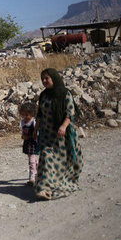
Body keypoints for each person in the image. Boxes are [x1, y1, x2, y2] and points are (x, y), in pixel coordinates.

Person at [34, 68, 83, 200]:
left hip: (61, 135)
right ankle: (44, 188)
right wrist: (35, 131)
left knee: (61, 161)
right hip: (46, 134)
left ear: (54, 78)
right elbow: (39, 114)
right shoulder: (44, 95)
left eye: (47, 78)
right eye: (42, 78)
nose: (44, 81)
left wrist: (63, 126)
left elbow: (70, 112)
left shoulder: (64, 94)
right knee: (46, 157)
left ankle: (57, 183)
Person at [19, 102, 39, 186]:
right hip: (27, 143)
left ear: (32, 114)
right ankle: (39, 169)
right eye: (23, 115)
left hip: (33, 143)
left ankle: (32, 178)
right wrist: (23, 136)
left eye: (27, 114)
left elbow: (38, 132)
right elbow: (23, 132)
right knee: (32, 159)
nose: (25, 117)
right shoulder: (23, 122)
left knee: (31, 161)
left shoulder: (34, 122)